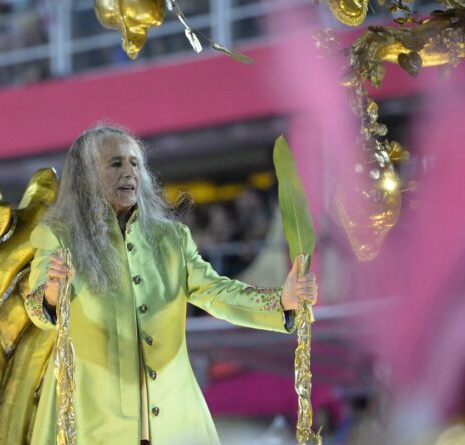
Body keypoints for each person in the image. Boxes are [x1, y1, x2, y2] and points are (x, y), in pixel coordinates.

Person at [23, 125, 318, 445]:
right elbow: (36, 306)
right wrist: (51, 296)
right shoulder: (58, 237)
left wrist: (280, 302)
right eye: (115, 163)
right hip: (93, 423)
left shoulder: (172, 240)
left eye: (135, 163)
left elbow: (216, 292)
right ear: (86, 176)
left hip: (177, 423)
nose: (129, 172)